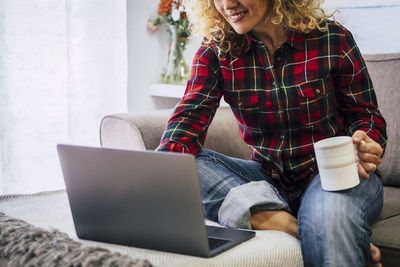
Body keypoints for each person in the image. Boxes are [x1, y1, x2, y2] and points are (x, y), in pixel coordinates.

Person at [156, 0, 387, 266]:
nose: (227, 4)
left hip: (334, 175)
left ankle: (310, 224)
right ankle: (295, 226)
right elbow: (187, 121)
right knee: (184, 167)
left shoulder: (332, 39)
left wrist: (365, 140)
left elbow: (366, 116)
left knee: (328, 215)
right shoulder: (215, 51)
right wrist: (161, 176)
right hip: (268, 179)